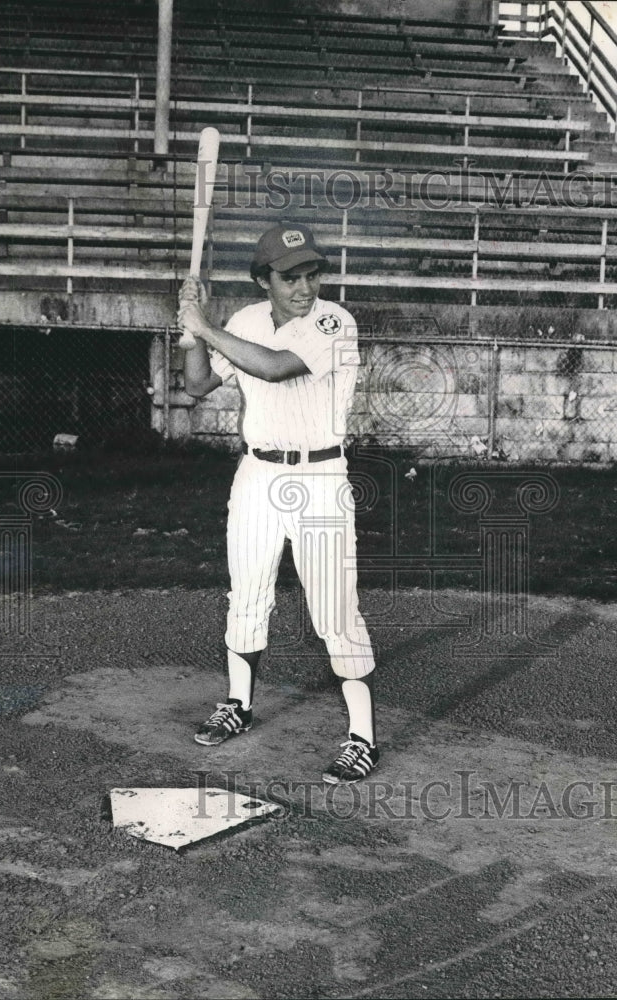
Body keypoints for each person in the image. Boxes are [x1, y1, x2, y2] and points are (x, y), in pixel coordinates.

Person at [176, 221, 378, 784]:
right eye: (290, 277)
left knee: (334, 610)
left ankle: (362, 736)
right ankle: (238, 704)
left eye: (312, 274)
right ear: (264, 279)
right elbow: (195, 387)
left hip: (320, 479)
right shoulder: (241, 322)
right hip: (257, 475)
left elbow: (273, 366)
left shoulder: (335, 322)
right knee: (247, 595)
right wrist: (191, 337)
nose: (304, 287)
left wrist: (206, 327)